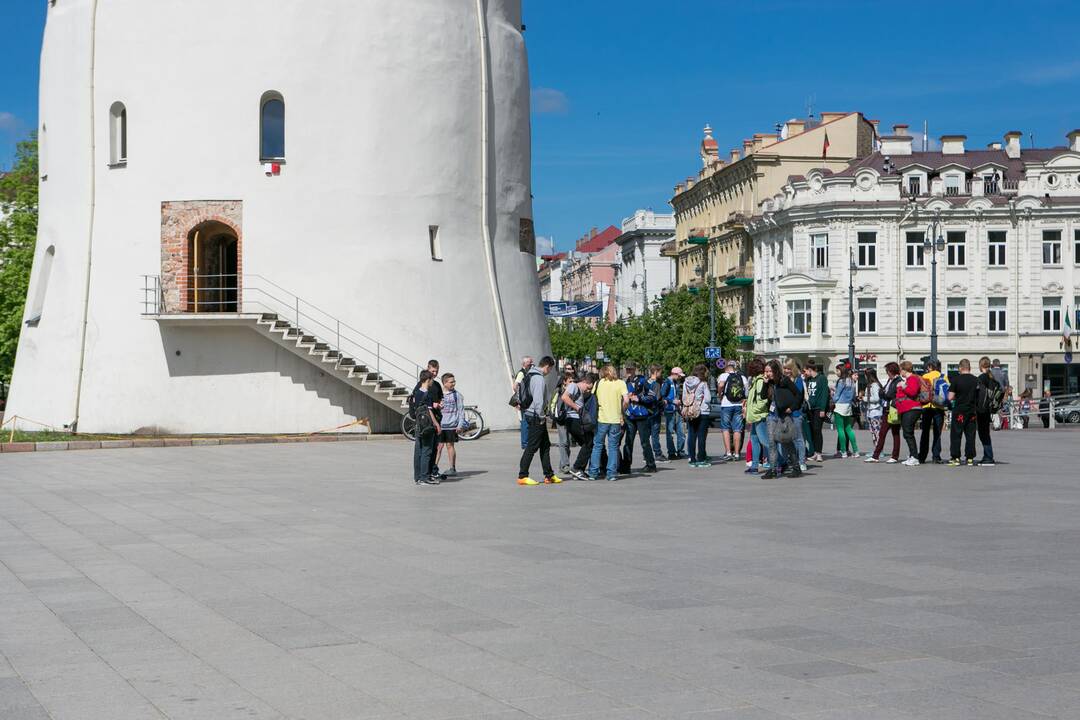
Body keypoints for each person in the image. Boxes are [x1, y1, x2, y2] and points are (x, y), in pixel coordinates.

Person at [517, 356, 561, 486]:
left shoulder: (530, 374)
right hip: (536, 416)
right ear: (547, 366)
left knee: (545, 445)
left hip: (531, 414)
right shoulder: (538, 378)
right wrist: (542, 417)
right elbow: (538, 401)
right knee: (532, 446)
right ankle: (523, 475)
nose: (549, 372)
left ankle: (549, 475)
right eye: (550, 369)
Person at [587, 364, 629, 480]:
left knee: (597, 446)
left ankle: (593, 472)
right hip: (615, 419)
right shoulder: (621, 383)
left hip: (601, 418)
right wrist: (622, 410)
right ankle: (611, 473)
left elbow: (592, 398)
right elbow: (626, 400)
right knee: (613, 447)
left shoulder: (598, 383)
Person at [763, 359, 801, 479]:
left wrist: (792, 407)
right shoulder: (769, 383)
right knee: (771, 443)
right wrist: (765, 383)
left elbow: (798, 395)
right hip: (771, 415)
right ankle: (772, 470)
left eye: (769, 371)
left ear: (775, 371)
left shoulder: (784, 381)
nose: (767, 373)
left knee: (786, 441)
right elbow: (763, 396)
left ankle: (796, 467)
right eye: (766, 371)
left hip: (783, 416)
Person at [622, 363, 658, 473]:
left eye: (631, 369)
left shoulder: (643, 381)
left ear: (635, 369)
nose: (629, 371)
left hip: (642, 415)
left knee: (644, 441)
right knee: (628, 441)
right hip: (630, 415)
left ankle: (651, 464)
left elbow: (652, 396)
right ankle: (626, 466)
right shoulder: (625, 382)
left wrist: (639, 398)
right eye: (627, 369)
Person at [560, 372, 596, 480]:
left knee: (587, 443)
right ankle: (577, 468)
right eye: (588, 388)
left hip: (575, 420)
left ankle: (579, 470)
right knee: (589, 442)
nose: (588, 391)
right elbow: (564, 397)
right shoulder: (574, 386)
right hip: (573, 419)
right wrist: (577, 407)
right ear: (585, 382)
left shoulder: (578, 390)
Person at [412, 359, 444, 478]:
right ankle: (421, 475)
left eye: (436, 371)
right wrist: (432, 406)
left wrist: (440, 403)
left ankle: (431, 472)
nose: (435, 374)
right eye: (433, 371)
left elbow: (440, 398)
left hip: (436, 417)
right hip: (425, 422)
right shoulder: (421, 385)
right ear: (428, 369)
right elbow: (418, 402)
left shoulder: (436, 385)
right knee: (422, 450)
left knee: (433, 448)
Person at [866, 362, 902, 463]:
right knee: (882, 433)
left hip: (893, 409)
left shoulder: (897, 380)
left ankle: (894, 456)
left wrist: (883, 393)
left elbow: (889, 394)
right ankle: (875, 456)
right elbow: (882, 392)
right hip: (886, 409)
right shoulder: (890, 380)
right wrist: (883, 393)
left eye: (888, 371)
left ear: (892, 371)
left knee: (895, 433)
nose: (887, 373)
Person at [947, 358, 979, 466]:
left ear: (960, 367)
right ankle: (970, 458)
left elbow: (950, 397)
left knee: (956, 434)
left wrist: (957, 395)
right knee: (970, 434)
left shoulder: (956, 380)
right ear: (969, 367)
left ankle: (956, 458)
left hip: (959, 410)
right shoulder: (976, 380)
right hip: (972, 411)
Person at [435, 373, 466, 476]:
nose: (454, 383)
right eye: (451, 382)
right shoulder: (439, 394)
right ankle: (434, 468)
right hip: (440, 425)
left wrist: (460, 424)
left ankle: (452, 468)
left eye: (454, 381)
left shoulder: (457, 395)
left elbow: (461, 410)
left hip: (452, 425)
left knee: (450, 445)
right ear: (444, 383)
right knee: (439, 446)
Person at [716, 361, 748, 462]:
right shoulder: (742, 377)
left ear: (726, 368)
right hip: (738, 405)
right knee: (737, 429)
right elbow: (746, 391)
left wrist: (720, 394)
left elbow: (721, 385)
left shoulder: (723, 375)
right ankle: (737, 454)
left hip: (726, 404)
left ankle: (728, 452)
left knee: (725, 428)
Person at [744, 358, 770, 475]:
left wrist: (754, 411)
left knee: (765, 441)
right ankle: (754, 466)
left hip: (759, 416)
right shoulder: (756, 380)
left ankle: (778, 463)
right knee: (754, 441)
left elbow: (762, 400)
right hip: (755, 416)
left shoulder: (759, 381)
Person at [917, 360, 947, 465]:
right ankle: (936, 456)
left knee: (925, 432)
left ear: (930, 367)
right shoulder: (943, 376)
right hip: (938, 406)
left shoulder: (925, 376)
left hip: (926, 406)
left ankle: (922, 457)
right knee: (937, 433)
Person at [682, 364, 712, 468]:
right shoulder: (703, 383)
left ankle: (692, 458)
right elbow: (708, 399)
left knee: (691, 434)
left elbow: (684, 398)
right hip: (702, 411)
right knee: (701, 436)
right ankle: (701, 459)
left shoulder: (686, 382)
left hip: (690, 411)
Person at [896, 360, 923, 466]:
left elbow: (912, 391)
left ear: (904, 370)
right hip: (908, 409)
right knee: (907, 433)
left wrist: (903, 386)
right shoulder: (908, 379)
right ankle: (912, 455)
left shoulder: (912, 378)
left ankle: (915, 457)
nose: (899, 372)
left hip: (912, 409)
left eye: (900, 370)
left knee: (908, 433)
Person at [783, 359, 808, 471]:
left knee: (798, 438)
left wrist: (791, 408)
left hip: (796, 413)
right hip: (785, 413)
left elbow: (798, 397)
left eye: (788, 368)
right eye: (785, 368)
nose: (786, 371)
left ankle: (802, 461)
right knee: (788, 439)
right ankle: (792, 460)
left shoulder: (798, 380)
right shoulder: (783, 379)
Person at [553, 364, 577, 475]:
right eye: (570, 381)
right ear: (564, 382)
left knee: (567, 442)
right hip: (562, 419)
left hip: (571, 418)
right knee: (564, 442)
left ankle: (562, 465)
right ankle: (565, 465)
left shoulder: (573, 390)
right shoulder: (560, 392)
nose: (572, 383)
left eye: (573, 381)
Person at [832, 365, 860, 458]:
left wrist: (832, 399)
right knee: (848, 429)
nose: (836, 372)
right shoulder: (852, 381)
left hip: (839, 406)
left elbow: (837, 395)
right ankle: (856, 451)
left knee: (840, 429)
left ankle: (843, 451)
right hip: (848, 406)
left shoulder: (841, 381)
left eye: (837, 370)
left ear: (841, 371)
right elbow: (853, 396)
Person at [976, 357, 998, 466]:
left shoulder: (981, 378)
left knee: (983, 434)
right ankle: (987, 455)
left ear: (981, 366)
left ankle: (988, 457)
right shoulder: (992, 378)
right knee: (986, 433)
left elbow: (976, 393)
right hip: (988, 409)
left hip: (981, 409)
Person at [804, 363, 828, 462]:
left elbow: (824, 394)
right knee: (812, 430)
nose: (804, 373)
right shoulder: (808, 380)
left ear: (810, 369)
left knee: (817, 430)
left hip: (818, 408)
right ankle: (814, 452)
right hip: (810, 408)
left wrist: (823, 409)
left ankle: (819, 453)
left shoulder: (821, 378)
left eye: (805, 371)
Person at [661, 367, 686, 459]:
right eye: (679, 376)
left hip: (676, 410)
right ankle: (671, 453)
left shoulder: (675, 383)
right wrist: (672, 401)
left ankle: (680, 451)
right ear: (674, 374)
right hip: (669, 410)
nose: (680, 378)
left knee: (681, 432)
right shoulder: (667, 382)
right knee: (670, 432)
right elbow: (662, 395)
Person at [645, 364, 669, 463]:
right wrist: (663, 402)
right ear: (656, 372)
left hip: (646, 411)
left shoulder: (646, 382)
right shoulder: (656, 384)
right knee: (655, 434)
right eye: (660, 372)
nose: (661, 374)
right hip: (654, 411)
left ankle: (646, 454)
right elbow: (657, 398)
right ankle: (658, 453)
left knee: (646, 434)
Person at [512, 357, 534, 449]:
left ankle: (527, 441)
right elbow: (515, 386)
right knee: (525, 422)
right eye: (529, 362)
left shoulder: (528, 372)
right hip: (524, 402)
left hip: (527, 401)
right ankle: (525, 443)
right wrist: (518, 400)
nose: (532, 363)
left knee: (526, 422)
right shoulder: (521, 373)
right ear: (524, 364)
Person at [863, 368, 884, 450]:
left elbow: (876, 398)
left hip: (875, 412)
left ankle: (879, 450)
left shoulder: (874, 385)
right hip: (871, 411)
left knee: (877, 432)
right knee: (873, 432)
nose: (864, 377)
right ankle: (876, 450)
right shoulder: (871, 385)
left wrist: (864, 398)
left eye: (865, 375)